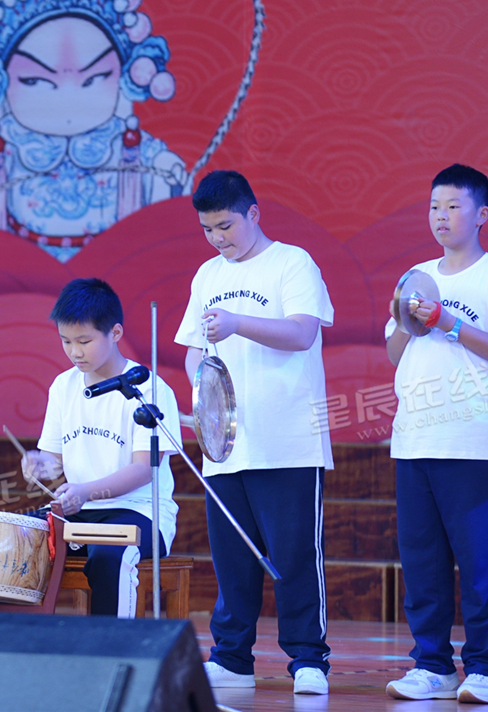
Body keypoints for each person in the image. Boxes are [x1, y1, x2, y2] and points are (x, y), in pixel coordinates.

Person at [173, 170, 335, 696]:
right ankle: (232, 656)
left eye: (226, 226)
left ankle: (308, 658)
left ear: (254, 214)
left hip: (287, 439)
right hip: (226, 445)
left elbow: (302, 332)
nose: (218, 239)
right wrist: (203, 406)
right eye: (207, 230)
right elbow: (195, 350)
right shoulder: (206, 275)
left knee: (293, 555)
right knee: (233, 559)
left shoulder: (292, 263)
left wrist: (239, 322)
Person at [382, 165, 488, 706]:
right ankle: (432, 665)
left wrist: (446, 320)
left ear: (482, 214)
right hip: (414, 438)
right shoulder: (417, 275)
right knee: (421, 560)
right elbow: (396, 354)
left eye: (453, 206)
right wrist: (406, 319)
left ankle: (485, 667)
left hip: (472, 441)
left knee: (480, 560)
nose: (440, 217)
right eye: (433, 207)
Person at [21, 278, 180, 616]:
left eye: (84, 341)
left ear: (116, 334)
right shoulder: (64, 386)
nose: (75, 351)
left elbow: (143, 470)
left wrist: (87, 492)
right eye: (65, 341)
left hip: (139, 512)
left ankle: (112, 654)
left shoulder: (148, 387)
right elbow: (53, 461)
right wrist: (38, 463)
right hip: (79, 511)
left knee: (111, 555)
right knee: (15, 539)